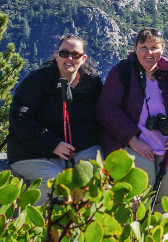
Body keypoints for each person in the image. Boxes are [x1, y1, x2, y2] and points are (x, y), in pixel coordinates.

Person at [97, 28, 168, 210]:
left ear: (163, 49)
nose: (149, 52)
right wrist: (132, 139)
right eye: (143, 47)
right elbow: (106, 108)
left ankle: (161, 225)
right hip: (131, 142)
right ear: (135, 49)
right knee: (145, 176)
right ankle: (135, 227)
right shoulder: (122, 72)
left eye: (154, 47)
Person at [7, 34, 104, 202]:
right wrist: (52, 143)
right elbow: (20, 117)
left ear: (84, 58)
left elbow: (103, 112)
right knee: (56, 183)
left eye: (76, 55)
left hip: (80, 149)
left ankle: (82, 225)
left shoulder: (92, 82)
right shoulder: (38, 80)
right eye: (64, 53)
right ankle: (38, 225)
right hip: (33, 153)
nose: (70, 58)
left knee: (98, 179)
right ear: (56, 55)